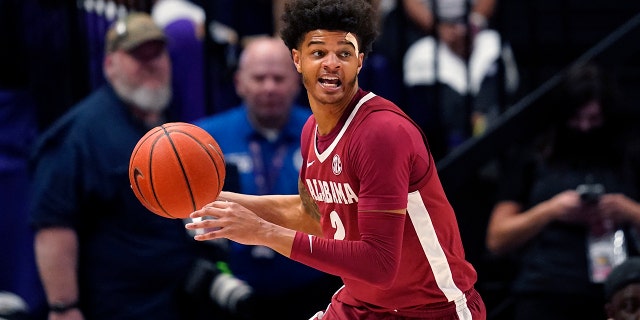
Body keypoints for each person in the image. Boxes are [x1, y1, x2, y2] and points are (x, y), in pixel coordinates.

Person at [185, 0, 486, 319]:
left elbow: (379, 264)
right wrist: (221, 203)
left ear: (359, 61)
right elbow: (313, 215)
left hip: (429, 309)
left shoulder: (382, 132)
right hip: (362, 304)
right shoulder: (311, 129)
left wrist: (261, 231)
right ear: (297, 60)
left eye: (343, 53)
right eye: (318, 53)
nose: (331, 63)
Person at [28, 12, 239, 319]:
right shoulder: (80, 134)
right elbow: (53, 224)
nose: (151, 63)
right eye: (138, 55)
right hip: (118, 306)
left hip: (177, 300)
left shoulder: (165, 122)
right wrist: (64, 307)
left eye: (157, 53)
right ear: (110, 65)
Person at [194, 36, 341, 320]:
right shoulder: (204, 139)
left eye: (278, 78)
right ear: (239, 82)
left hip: (314, 291)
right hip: (232, 295)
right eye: (259, 78)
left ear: (298, 82)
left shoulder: (329, 134)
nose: (269, 87)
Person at [485, 62, 640, 320]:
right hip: (547, 290)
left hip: (617, 292)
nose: (585, 128)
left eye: (594, 119)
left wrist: (627, 209)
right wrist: (552, 209)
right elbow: (497, 238)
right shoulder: (534, 158)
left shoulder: (629, 156)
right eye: (576, 119)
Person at [402, 0, 519, 160]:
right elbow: (411, 4)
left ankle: (483, 120)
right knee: (419, 58)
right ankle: (456, 139)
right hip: (432, 34)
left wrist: (472, 25)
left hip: (475, 29)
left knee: (494, 46)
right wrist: (439, 29)